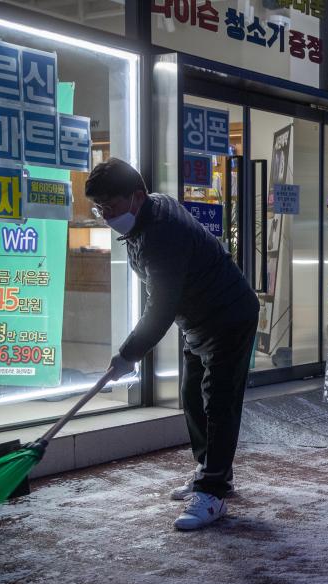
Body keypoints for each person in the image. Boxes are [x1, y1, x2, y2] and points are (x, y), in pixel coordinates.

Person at [85, 158, 259, 530]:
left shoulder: (162, 232)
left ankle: (212, 492)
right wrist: (130, 353)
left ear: (137, 196)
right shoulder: (147, 214)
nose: (106, 215)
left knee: (219, 401)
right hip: (196, 318)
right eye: (99, 208)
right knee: (192, 395)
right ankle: (210, 470)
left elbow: (160, 307)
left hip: (228, 316)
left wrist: (129, 354)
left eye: (110, 206)